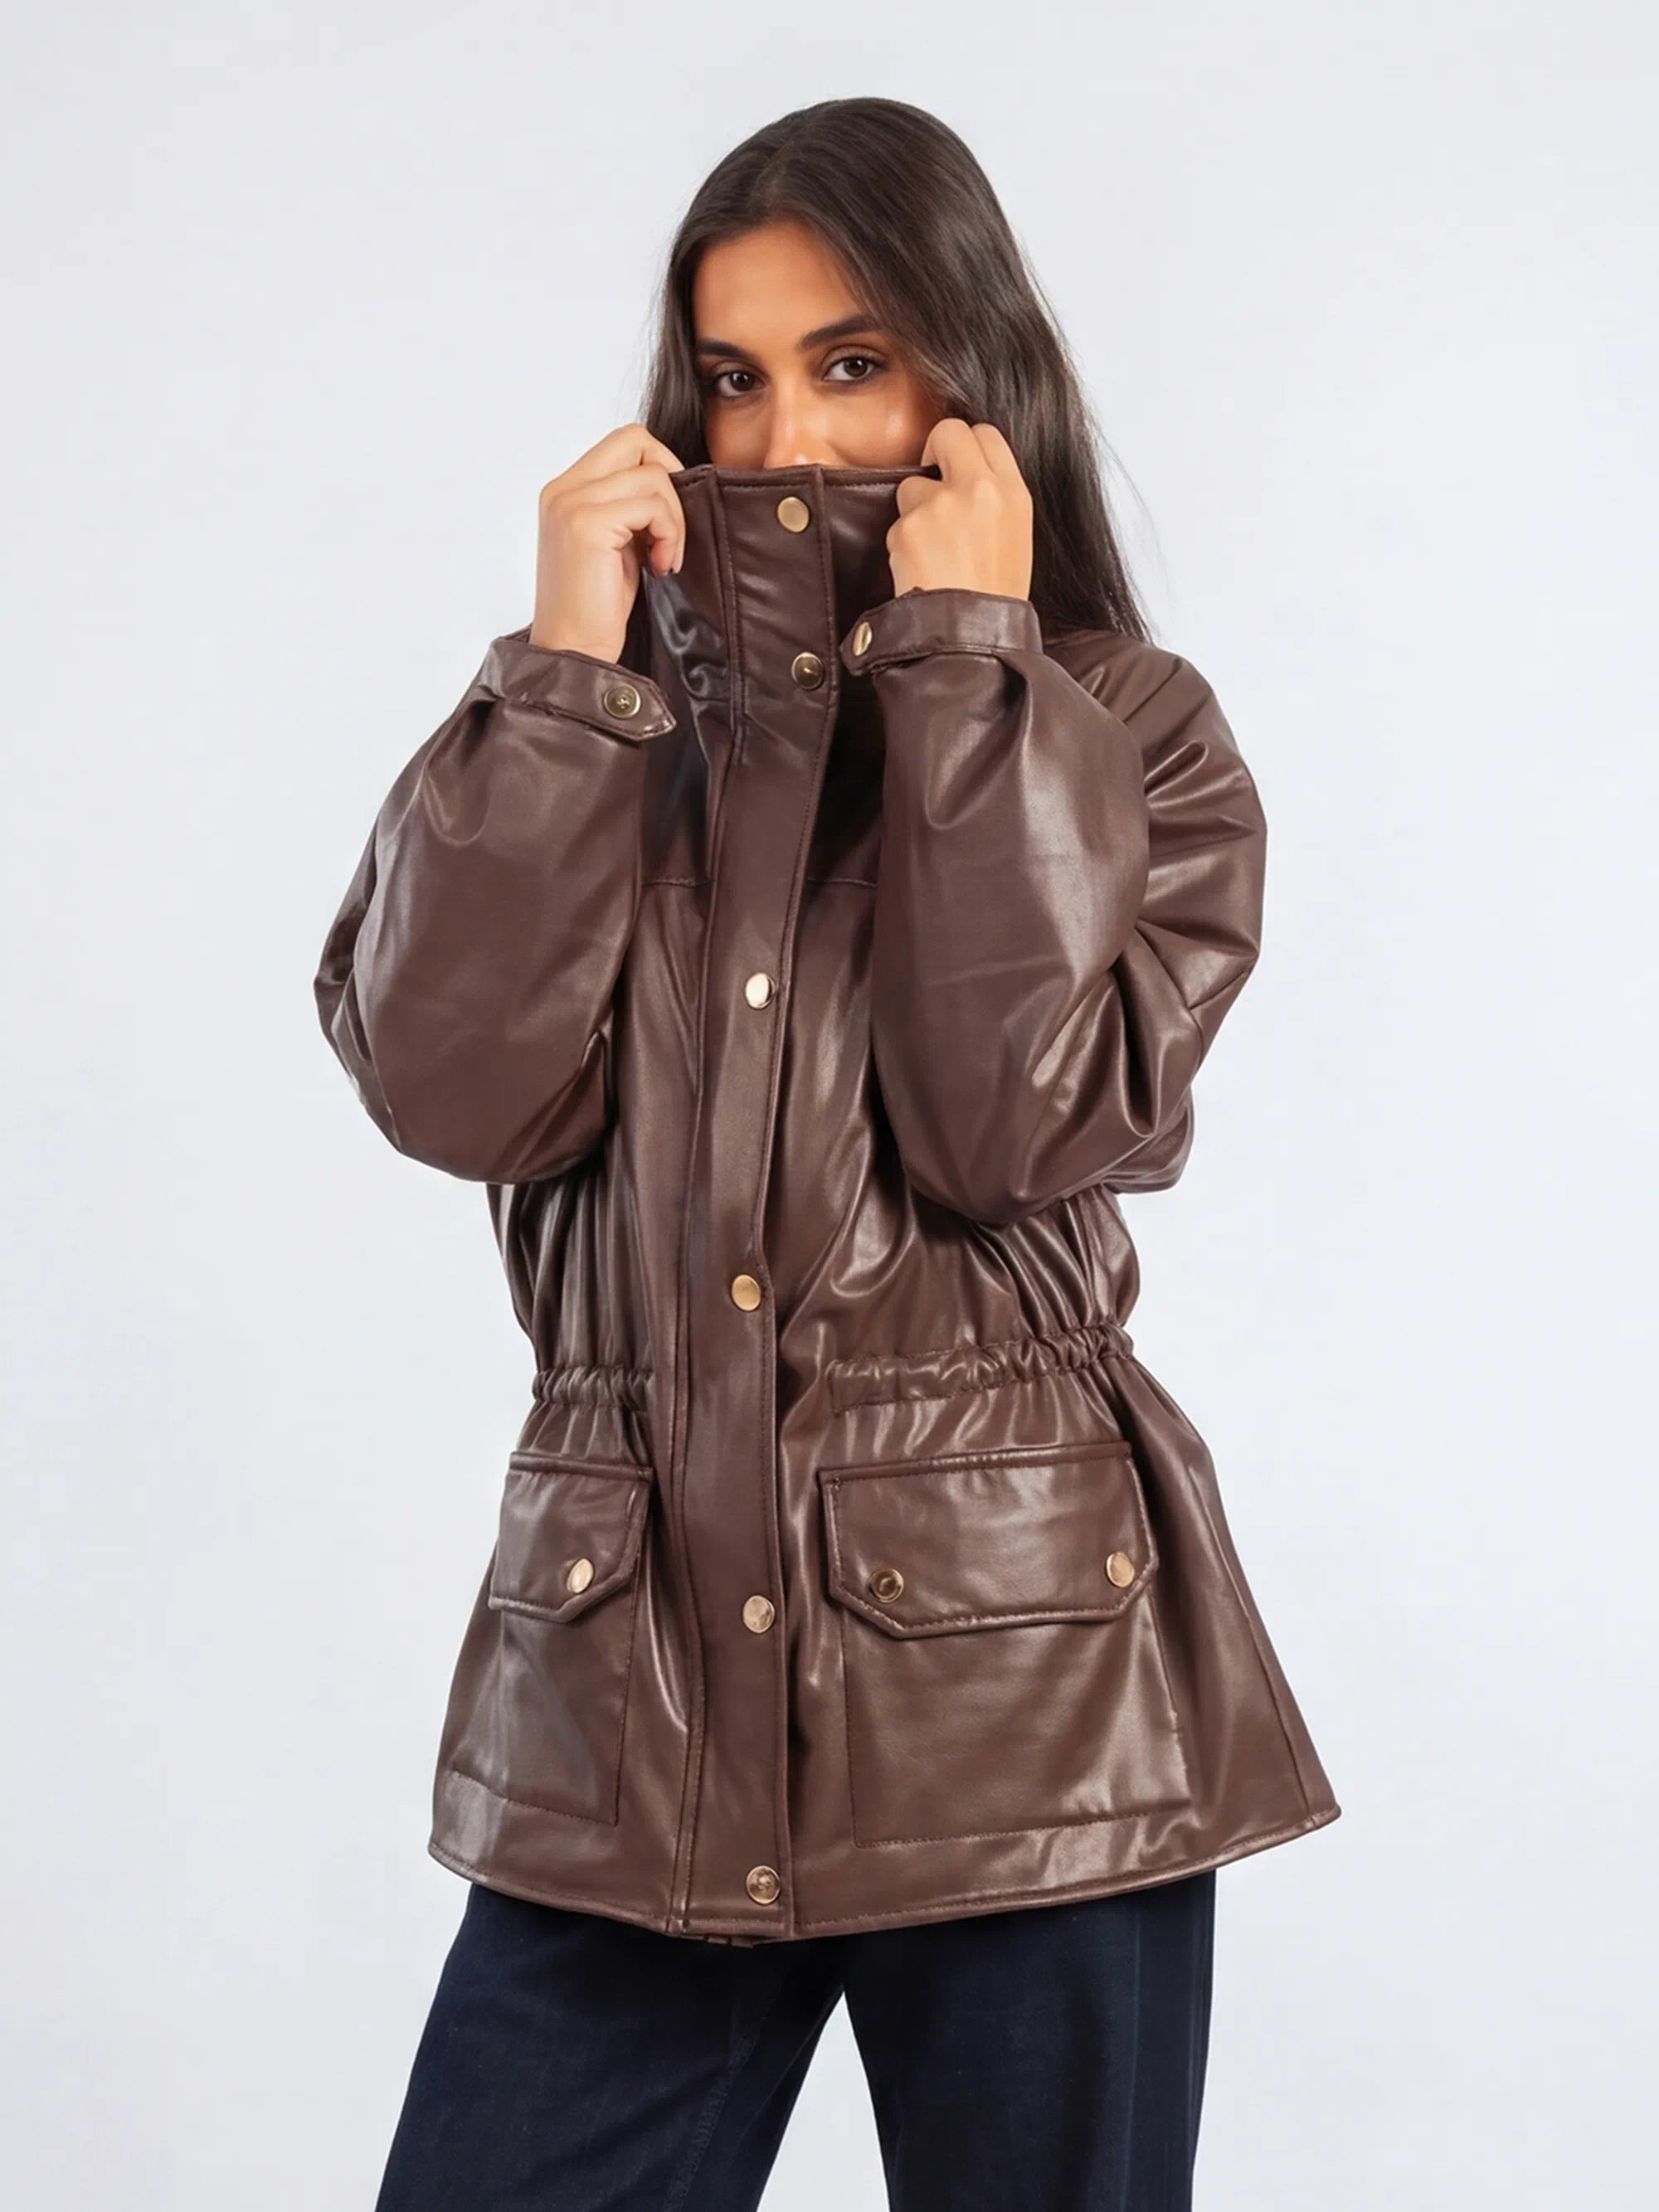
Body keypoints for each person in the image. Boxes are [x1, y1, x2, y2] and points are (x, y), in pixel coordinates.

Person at [314, 95, 1339, 2212]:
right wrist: (565, 678)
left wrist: (964, 672)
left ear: (970, 376)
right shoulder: (587, 732)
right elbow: (449, 1089)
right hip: (633, 1703)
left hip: (1020, 1700)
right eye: (732, 374)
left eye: (852, 365)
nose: (782, 434)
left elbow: (1016, 1119)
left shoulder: (1124, 726)